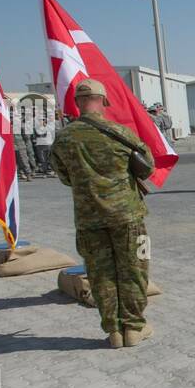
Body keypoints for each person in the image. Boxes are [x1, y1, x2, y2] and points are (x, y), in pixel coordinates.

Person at [51, 79, 154, 348]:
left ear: (77, 102)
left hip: (89, 219)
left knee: (100, 275)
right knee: (134, 270)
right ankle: (134, 327)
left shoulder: (63, 139)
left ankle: (114, 332)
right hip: (127, 216)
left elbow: (64, 177)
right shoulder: (120, 133)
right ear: (104, 101)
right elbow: (148, 166)